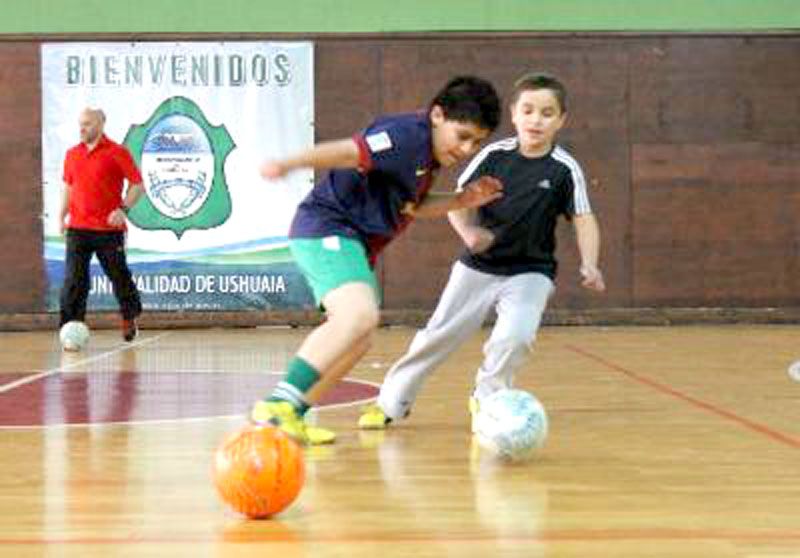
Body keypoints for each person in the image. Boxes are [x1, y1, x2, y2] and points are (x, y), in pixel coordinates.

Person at [251, 76, 503, 445]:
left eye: (477, 142)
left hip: (351, 242)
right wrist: (289, 163)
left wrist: (462, 200)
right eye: (462, 135)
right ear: (437, 115)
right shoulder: (406, 136)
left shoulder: (426, 157)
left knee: (359, 338)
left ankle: (294, 415)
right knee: (358, 316)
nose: (467, 148)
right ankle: (277, 404)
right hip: (326, 228)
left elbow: (413, 206)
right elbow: (349, 152)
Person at [358, 72, 606, 432]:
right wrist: (469, 232)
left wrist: (590, 263)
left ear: (561, 120)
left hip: (531, 271)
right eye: (529, 110)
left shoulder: (565, 169)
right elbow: (459, 199)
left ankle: (488, 400)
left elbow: (583, 217)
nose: (537, 119)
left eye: (547, 113)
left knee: (516, 337)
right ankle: (391, 402)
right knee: (437, 335)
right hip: (479, 266)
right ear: (515, 114)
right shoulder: (494, 155)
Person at [59, 108, 144, 343]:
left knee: (119, 277)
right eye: (80, 124)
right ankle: (71, 330)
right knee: (74, 281)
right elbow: (68, 187)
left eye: (87, 123)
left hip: (109, 231)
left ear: (100, 123)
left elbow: (137, 185)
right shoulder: (72, 154)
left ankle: (129, 317)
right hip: (78, 228)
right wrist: (61, 216)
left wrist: (123, 210)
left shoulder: (117, 152)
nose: (82, 128)